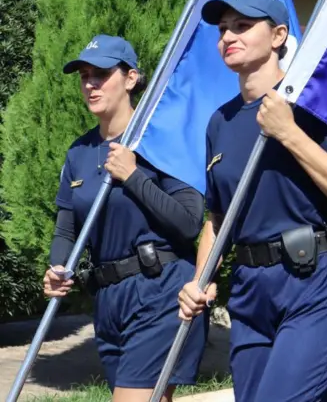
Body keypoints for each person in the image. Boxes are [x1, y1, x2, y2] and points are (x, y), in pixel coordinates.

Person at [175, 0, 327, 402]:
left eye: (243, 26)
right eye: (223, 29)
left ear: (279, 36)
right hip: (250, 292)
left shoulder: (314, 104)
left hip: (314, 281)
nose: (228, 37)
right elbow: (218, 218)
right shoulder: (221, 122)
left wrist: (289, 133)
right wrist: (200, 280)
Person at [44, 34, 208, 402]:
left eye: (101, 74)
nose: (90, 84)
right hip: (108, 299)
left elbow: (188, 223)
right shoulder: (80, 151)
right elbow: (67, 227)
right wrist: (58, 268)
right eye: (84, 75)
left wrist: (132, 176)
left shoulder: (162, 143)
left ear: (131, 78)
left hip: (159, 290)